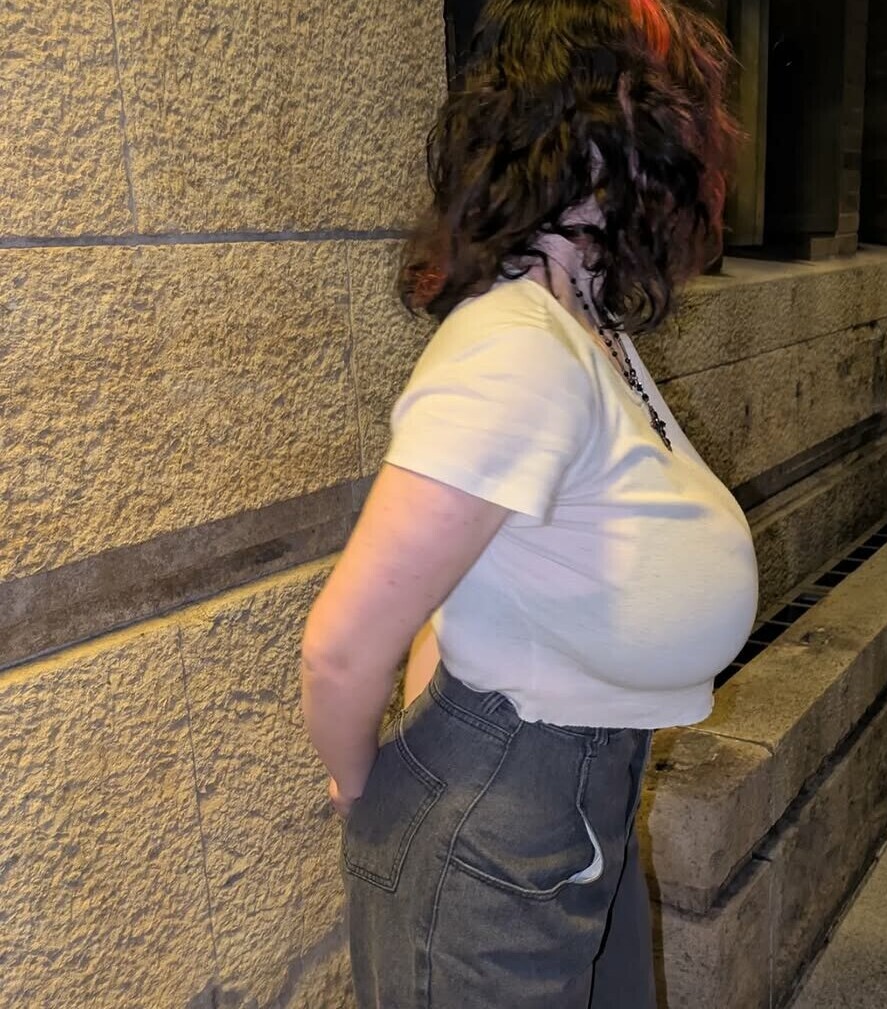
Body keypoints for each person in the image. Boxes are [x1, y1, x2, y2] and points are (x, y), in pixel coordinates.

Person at [299, 1, 758, 1006]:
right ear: (592, 130)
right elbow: (338, 648)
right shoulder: (514, 347)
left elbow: (463, 586)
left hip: (578, 807)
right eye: (675, 107)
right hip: (497, 835)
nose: (703, 139)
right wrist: (375, 794)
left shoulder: (581, 328)